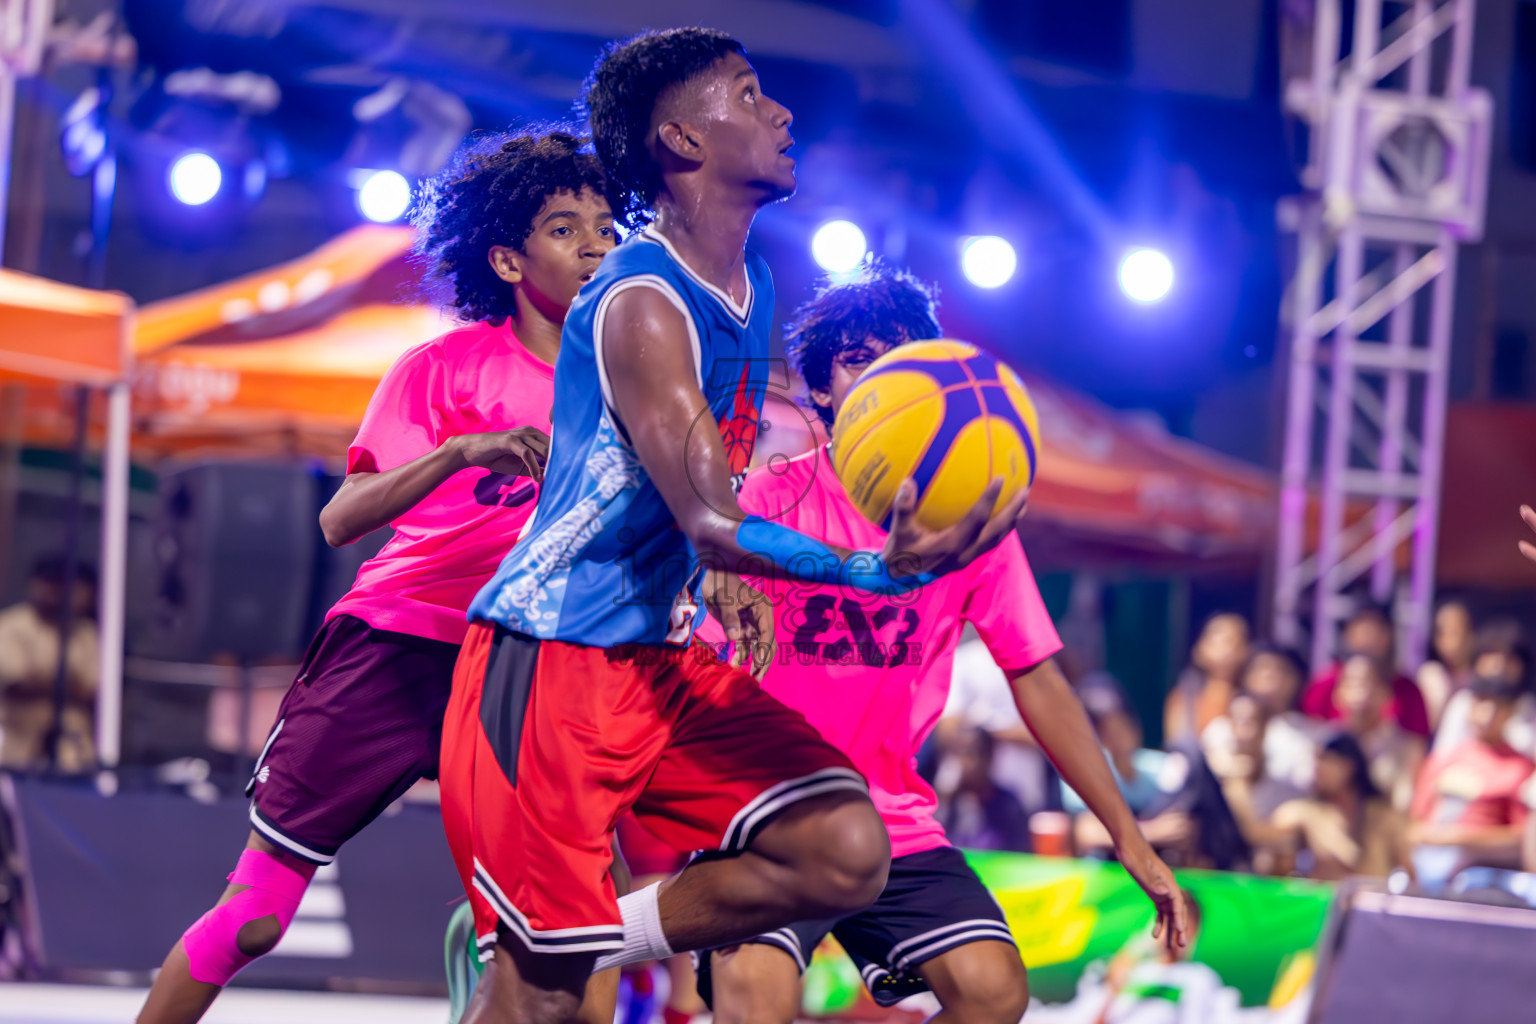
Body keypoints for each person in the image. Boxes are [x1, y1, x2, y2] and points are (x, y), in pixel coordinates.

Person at [440, 29, 1031, 1024]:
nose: (782, 112)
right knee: (540, 1007)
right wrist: (871, 570)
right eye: (750, 95)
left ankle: (583, 930)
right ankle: (531, 951)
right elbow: (712, 514)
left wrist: (716, 580)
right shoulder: (642, 299)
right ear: (682, 139)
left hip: (655, 657)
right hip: (552, 659)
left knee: (844, 845)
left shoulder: (743, 292)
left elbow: (701, 488)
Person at [135, 128, 621, 1024]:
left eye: (604, 226)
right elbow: (340, 518)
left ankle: (491, 951)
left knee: (573, 939)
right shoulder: (442, 367)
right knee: (253, 920)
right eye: (564, 228)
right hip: (398, 644)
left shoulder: (634, 384)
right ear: (509, 260)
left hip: (530, 662)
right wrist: (459, 454)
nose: (596, 244)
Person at [695, 265, 1182, 1024]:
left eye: (897, 356)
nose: (879, 373)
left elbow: (1037, 676)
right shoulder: (771, 497)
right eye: (857, 358)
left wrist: (1130, 837)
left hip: (889, 816)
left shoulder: (971, 518)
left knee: (993, 993)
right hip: (764, 807)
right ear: (821, 388)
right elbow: (703, 664)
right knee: (754, 1002)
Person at [1411, 674, 1536, 889]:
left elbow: (1522, 838)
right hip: (1429, 866)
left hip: (1485, 873)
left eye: (1496, 708)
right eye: (1480, 705)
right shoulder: (1442, 760)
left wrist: (1461, 839)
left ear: (1510, 713)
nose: (1486, 716)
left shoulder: (1521, 768)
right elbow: (1414, 826)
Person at [0, 557, 98, 772]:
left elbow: (93, 689)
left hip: (72, 749)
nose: (50, 592)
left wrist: (45, 679)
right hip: (20, 744)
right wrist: (68, 683)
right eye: (45, 583)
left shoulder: (86, 633)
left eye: (58, 585)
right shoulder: (11, 625)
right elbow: (17, 681)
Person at [1271, 733, 1412, 880]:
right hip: (1328, 899)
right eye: (1317, 760)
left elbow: (1407, 871)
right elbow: (1269, 834)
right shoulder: (1309, 813)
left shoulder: (1384, 817)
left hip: (1373, 898)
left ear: (1349, 767)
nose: (1317, 768)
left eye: (1325, 759)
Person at [1298, 605, 1430, 738]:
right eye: (1363, 630)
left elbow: (1417, 742)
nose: (1369, 638)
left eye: (1377, 631)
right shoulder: (1325, 684)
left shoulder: (1407, 691)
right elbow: (1308, 733)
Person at [1202, 644, 1318, 792]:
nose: (1268, 676)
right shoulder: (1221, 729)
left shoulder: (1309, 734)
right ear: (1245, 677)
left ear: (1294, 680)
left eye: (1279, 670)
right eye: (1261, 669)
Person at [1331, 652, 1424, 812]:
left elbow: (1404, 805)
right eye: (1350, 683)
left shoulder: (1406, 748)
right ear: (1338, 695)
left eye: (1366, 682)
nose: (1358, 691)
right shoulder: (1325, 744)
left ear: (1385, 695)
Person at [1164, 613, 1250, 747]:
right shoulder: (1186, 695)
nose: (1227, 651)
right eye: (1221, 642)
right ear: (1201, 648)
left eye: (1235, 643)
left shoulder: (1249, 698)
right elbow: (1176, 741)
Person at [1416, 600, 1476, 730]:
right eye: (1443, 633)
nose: (1450, 641)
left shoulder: (1481, 677)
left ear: (1471, 635)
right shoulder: (1431, 675)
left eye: (1455, 632)